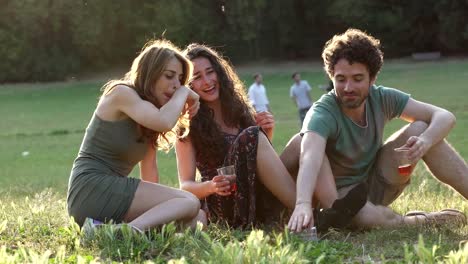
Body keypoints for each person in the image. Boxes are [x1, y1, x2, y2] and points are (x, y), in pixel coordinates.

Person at [286, 28, 467, 232]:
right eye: (341, 79)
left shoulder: (381, 97)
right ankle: (426, 220)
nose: (348, 87)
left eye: (357, 78)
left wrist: (426, 140)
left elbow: (445, 117)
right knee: (367, 218)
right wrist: (302, 204)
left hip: (377, 181)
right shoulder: (322, 113)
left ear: (372, 79)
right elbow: (310, 157)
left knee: (420, 128)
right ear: (332, 77)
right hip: (344, 199)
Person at [67, 39, 206, 232]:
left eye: (180, 79)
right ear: (151, 73)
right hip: (91, 188)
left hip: (114, 195)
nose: (176, 85)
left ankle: (102, 230)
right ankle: (126, 233)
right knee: (189, 201)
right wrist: (184, 92)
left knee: (197, 219)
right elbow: (165, 121)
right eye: (169, 76)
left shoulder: (149, 114)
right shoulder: (121, 93)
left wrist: (155, 212)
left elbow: (149, 173)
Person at [175, 44, 296, 228]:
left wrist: (266, 133)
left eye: (210, 72)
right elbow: (185, 185)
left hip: (254, 191)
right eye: (197, 77)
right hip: (225, 205)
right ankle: (305, 212)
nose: (207, 81)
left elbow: (257, 162)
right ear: (188, 86)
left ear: (220, 73)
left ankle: (317, 206)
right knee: (251, 135)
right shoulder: (188, 125)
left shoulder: (239, 111)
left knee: (299, 143)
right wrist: (211, 186)